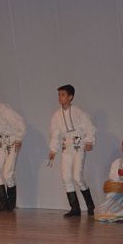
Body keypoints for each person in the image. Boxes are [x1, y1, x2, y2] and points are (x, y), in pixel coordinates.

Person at [48, 84, 96, 217]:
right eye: (59, 95)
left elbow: (89, 127)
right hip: (66, 147)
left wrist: (89, 141)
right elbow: (55, 134)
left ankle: (90, 205)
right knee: (66, 177)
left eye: (63, 94)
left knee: (77, 176)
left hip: (78, 145)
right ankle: (75, 208)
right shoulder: (56, 115)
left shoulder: (78, 112)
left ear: (70, 97)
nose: (60, 97)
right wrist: (53, 150)